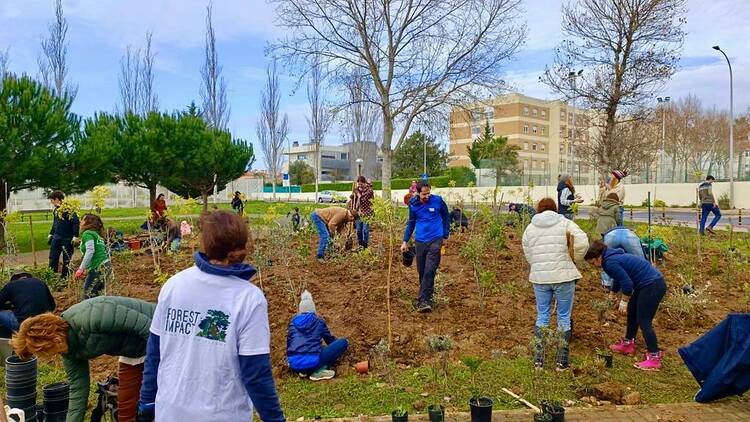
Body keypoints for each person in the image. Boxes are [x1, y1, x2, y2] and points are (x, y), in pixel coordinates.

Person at [137, 211, 285, 422]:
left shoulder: (174, 285)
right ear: (243, 245)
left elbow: (154, 353)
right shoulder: (249, 299)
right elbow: (256, 374)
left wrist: (147, 404)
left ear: (206, 243)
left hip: (170, 412)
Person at [11, 296, 155, 422]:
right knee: (126, 409)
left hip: (159, 335)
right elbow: (78, 390)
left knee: (156, 401)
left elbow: (146, 326)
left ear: (50, 338)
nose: (50, 356)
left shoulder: (91, 317)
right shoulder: (69, 350)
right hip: (133, 350)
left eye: (46, 351)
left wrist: (156, 364)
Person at [522, 198, 588, 371]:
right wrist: (575, 259)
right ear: (555, 208)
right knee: (563, 317)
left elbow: (528, 251)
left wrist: (537, 265)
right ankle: (561, 361)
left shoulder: (530, 228)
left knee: (542, 315)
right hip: (564, 276)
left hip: (540, 279)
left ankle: (539, 360)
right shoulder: (565, 223)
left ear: (538, 209)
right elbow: (582, 240)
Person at [585, 241, 667, 371]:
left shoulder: (609, 262)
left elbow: (627, 284)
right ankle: (628, 343)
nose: (594, 266)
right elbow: (618, 278)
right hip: (646, 284)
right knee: (633, 312)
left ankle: (654, 357)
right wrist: (612, 294)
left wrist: (623, 302)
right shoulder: (611, 257)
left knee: (644, 321)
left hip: (652, 285)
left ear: (599, 256)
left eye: (593, 262)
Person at [400, 182, 450, 313]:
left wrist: (445, 235)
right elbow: (411, 223)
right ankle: (429, 295)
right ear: (417, 192)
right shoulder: (413, 204)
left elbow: (446, 216)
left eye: (428, 193)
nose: (427, 196)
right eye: (424, 194)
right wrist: (405, 241)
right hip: (420, 241)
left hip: (436, 239)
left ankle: (423, 301)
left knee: (430, 269)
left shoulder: (438, 201)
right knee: (422, 272)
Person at [287, 290, 349, 381]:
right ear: (313, 308)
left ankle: (303, 371)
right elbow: (330, 341)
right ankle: (317, 371)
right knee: (343, 342)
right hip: (312, 363)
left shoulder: (292, 324)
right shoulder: (318, 321)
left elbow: (290, 345)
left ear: (301, 310)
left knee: (319, 348)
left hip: (294, 365)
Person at [0, 271, 56, 337]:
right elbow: (53, 306)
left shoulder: (11, 285)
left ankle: (7, 336)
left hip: (25, 324)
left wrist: (8, 307)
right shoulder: (40, 282)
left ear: (13, 279)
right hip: (45, 322)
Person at [74, 214, 111, 299]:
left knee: (86, 297)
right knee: (96, 297)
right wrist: (87, 267)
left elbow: (90, 251)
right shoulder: (96, 235)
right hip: (106, 266)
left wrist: (81, 269)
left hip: (98, 267)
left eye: (82, 220)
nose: (80, 222)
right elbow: (98, 252)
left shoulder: (87, 234)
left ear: (88, 223)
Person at [48, 190, 79, 279]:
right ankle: (51, 275)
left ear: (57, 199)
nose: (51, 202)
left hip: (67, 238)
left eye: (52, 200)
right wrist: (51, 233)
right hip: (56, 237)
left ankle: (65, 277)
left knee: (67, 258)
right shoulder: (55, 210)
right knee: (53, 257)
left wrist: (75, 235)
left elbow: (75, 222)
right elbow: (55, 223)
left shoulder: (69, 209)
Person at [353, 176, 374, 248]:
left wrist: (359, 195)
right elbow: (355, 191)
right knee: (358, 230)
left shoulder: (369, 190)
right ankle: (360, 244)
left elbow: (363, 199)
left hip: (367, 213)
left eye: (361, 184)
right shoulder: (357, 189)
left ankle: (365, 245)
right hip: (358, 213)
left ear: (364, 183)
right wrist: (356, 192)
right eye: (358, 184)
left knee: (365, 230)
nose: (360, 186)